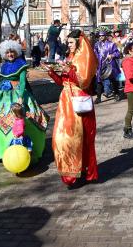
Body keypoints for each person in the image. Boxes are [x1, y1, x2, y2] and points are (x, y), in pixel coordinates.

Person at [45, 30, 98, 188]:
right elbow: (63, 82)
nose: (67, 45)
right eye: (67, 43)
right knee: (60, 139)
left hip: (79, 102)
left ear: (78, 43)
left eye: (70, 42)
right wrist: (51, 72)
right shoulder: (68, 57)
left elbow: (84, 83)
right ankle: (70, 172)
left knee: (79, 139)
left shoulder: (84, 59)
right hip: (65, 101)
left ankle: (81, 172)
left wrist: (70, 71)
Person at [0, 40, 48, 161]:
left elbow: (22, 81)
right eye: (7, 52)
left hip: (18, 93)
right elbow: (0, 80)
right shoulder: (4, 65)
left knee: (24, 117)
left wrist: (20, 96)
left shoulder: (21, 64)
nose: (10, 54)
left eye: (12, 51)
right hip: (3, 95)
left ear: (16, 52)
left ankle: (26, 148)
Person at [94, 30, 122, 103]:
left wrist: (112, 55)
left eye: (102, 35)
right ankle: (98, 97)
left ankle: (116, 94)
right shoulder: (97, 45)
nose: (101, 37)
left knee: (113, 80)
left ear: (105, 36)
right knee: (99, 81)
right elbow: (95, 54)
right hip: (100, 65)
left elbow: (118, 54)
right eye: (99, 36)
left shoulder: (111, 44)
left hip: (110, 65)